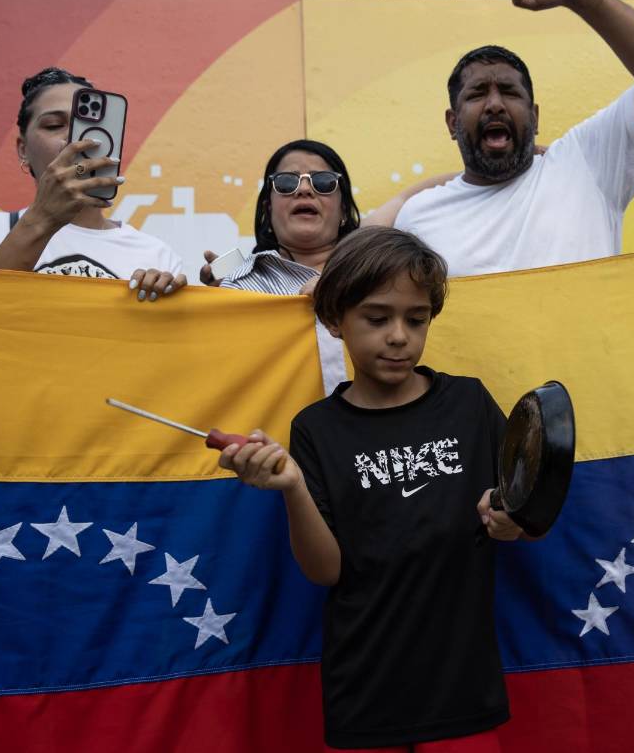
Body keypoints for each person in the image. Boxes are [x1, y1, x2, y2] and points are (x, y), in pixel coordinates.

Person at [219, 227, 525, 751]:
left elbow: (525, 510)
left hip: (463, 686)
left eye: (416, 319)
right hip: (365, 687)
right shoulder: (316, 428)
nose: (399, 336)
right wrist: (292, 487)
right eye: (377, 318)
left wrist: (514, 520)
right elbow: (325, 571)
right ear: (335, 320)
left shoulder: (470, 404)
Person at [385, 0, 634, 277]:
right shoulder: (418, 216)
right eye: (478, 94)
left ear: (535, 118)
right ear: (452, 123)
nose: (495, 104)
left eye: (509, 92)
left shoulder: (585, 164)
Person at [0, 67, 185, 301]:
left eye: (87, 127)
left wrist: (160, 308)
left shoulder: (156, 254)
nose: (72, 138)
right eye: (54, 125)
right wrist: (44, 216)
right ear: (23, 150)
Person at [215, 139, 360, 394]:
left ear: (344, 209)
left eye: (323, 181)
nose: (304, 189)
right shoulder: (236, 286)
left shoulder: (381, 275)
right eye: (286, 182)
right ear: (268, 207)